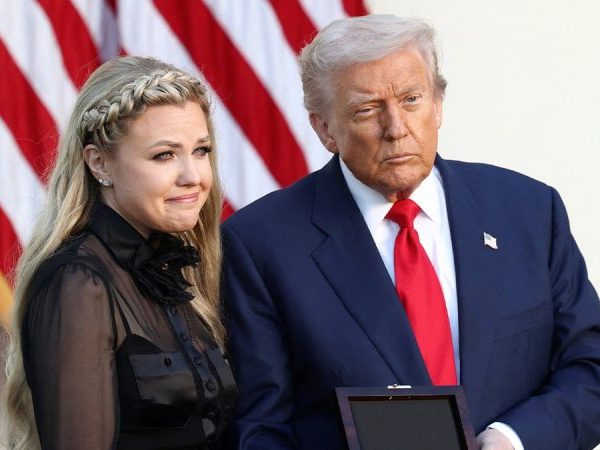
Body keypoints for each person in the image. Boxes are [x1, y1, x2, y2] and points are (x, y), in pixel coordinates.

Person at [221, 14, 600, 450]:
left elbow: (589, 369)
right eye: (367, 109)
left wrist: (512, 440)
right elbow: (260, 428)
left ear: (438, 105)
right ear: (324, 128)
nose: (396, 128)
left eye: (411, 99)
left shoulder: (528, 210)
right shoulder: (261, 243)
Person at [0, 56, 237, 450]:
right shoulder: (79, 281)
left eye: (201, 150)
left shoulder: (175, 269)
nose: (193, 176)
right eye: (164, 155)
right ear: (99, 162)